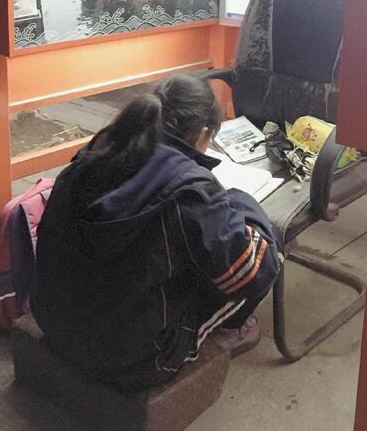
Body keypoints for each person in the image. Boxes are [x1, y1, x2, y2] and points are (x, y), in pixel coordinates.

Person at [32, 73, 282, 390]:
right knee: (267, 249)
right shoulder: (190, 191)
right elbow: (254, 272)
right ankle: (229, 329)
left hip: (54, 322)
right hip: (133, 360)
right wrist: (242, 202)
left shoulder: (99, 150)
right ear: (203, 134)